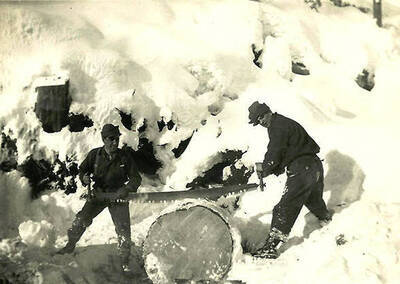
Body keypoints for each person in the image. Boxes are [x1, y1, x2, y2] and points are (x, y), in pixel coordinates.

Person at [248, 101, 332, 259]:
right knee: (313, 200)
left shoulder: (277, 126)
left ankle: (270, 248)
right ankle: (327, 221)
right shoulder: (283, 123)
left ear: (268, 112)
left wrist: (266, 168)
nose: (261, 122)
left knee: (284, 207)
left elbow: (275, 151)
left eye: (261, 118)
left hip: (302, 168)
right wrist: (276, 168)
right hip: (313, 166)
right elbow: (288, 150)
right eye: (257, 121)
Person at [57, 124, 142, 273]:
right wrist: (84, 178)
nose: (115, 142)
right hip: (99, 194)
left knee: (123, 229)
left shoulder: (124, 157)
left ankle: (124, 260)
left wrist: (127, 189)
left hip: (118, 196)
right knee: (81, 219)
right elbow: (83, 169)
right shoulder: (95, 155)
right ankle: (70, 245)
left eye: (117, 139)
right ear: (104, 139)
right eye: (111, 139)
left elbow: (136, 178)